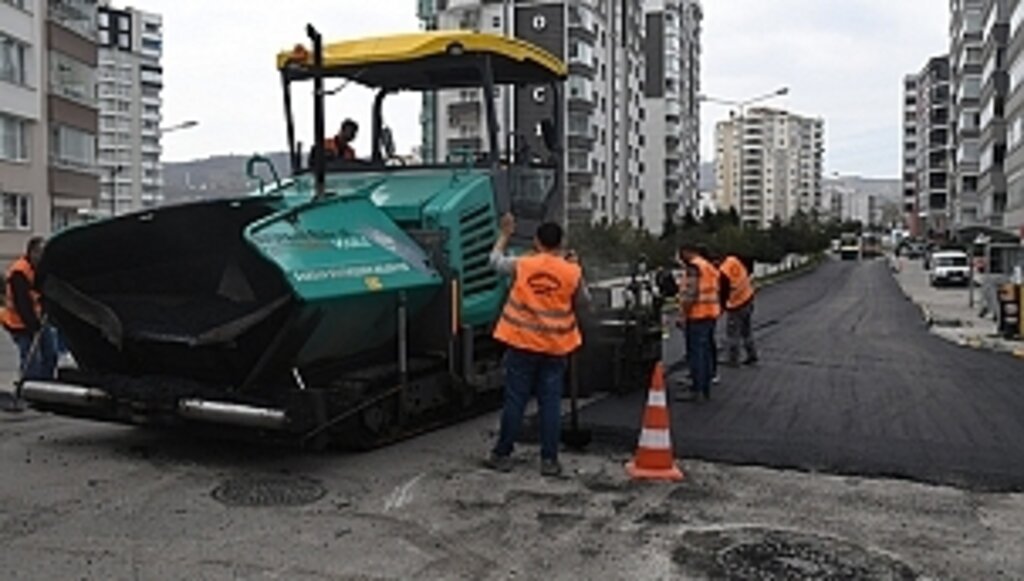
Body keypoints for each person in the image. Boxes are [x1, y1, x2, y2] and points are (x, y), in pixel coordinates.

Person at [485, 213, 585, 477]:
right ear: (561, 243)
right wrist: (574, 265)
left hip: (522, 344)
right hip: (555, 347)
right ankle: (549, 460)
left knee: (515, 400)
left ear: (537, 242)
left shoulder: (524, 264)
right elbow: (583, 299)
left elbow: (494, 262)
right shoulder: (572, 271)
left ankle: (502, 454)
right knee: (550, 404)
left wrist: (505, 234)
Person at [3, 237, 58, 384]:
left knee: (50, 354)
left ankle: (46, 385)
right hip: (19, 322)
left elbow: (44, 293)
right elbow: (22, 303)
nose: (43, 257)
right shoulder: (19, 272)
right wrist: (33, 325)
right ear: (32, 252)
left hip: (38, 318)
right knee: (30, 360)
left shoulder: (40, 269)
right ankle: (29, 387)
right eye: (40, 253)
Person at [677, 242, 721, 402]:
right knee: (706, 352)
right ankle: (705, 387)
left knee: (696, 354)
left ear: (687, 252)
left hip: (697, 316)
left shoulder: (694, 268)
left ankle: (697, 390)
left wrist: (683, 315)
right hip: (710, 315)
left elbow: (690, 294)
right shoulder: (708, 266)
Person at [718, 253, 758, 366]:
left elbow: (723, 293)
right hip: (748, 298)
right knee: (747, 331)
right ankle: (752, 354)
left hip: (736, 304)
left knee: (732, 334)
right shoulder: (733, 260)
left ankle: (733, 359)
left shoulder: (723, 271)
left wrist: (721, 307)